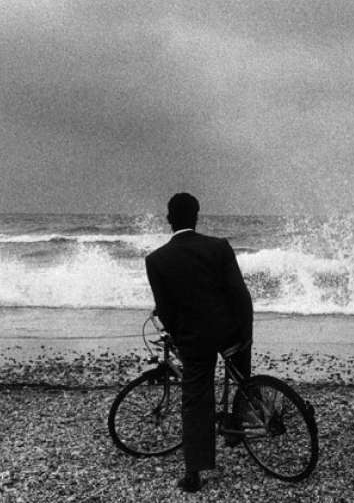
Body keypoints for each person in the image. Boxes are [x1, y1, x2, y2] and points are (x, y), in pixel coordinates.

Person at [145, 192, 253, 493]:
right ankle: (236, 426)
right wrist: (246, 332)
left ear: (169, 218)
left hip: (194, 339)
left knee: (195, 400)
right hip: (229, 331)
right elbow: (239, 294)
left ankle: (194, 473)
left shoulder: (156, 260)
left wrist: (179, 338)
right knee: (242, 375)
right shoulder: (218, 247)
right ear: (197, 216)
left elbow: (165, 309)